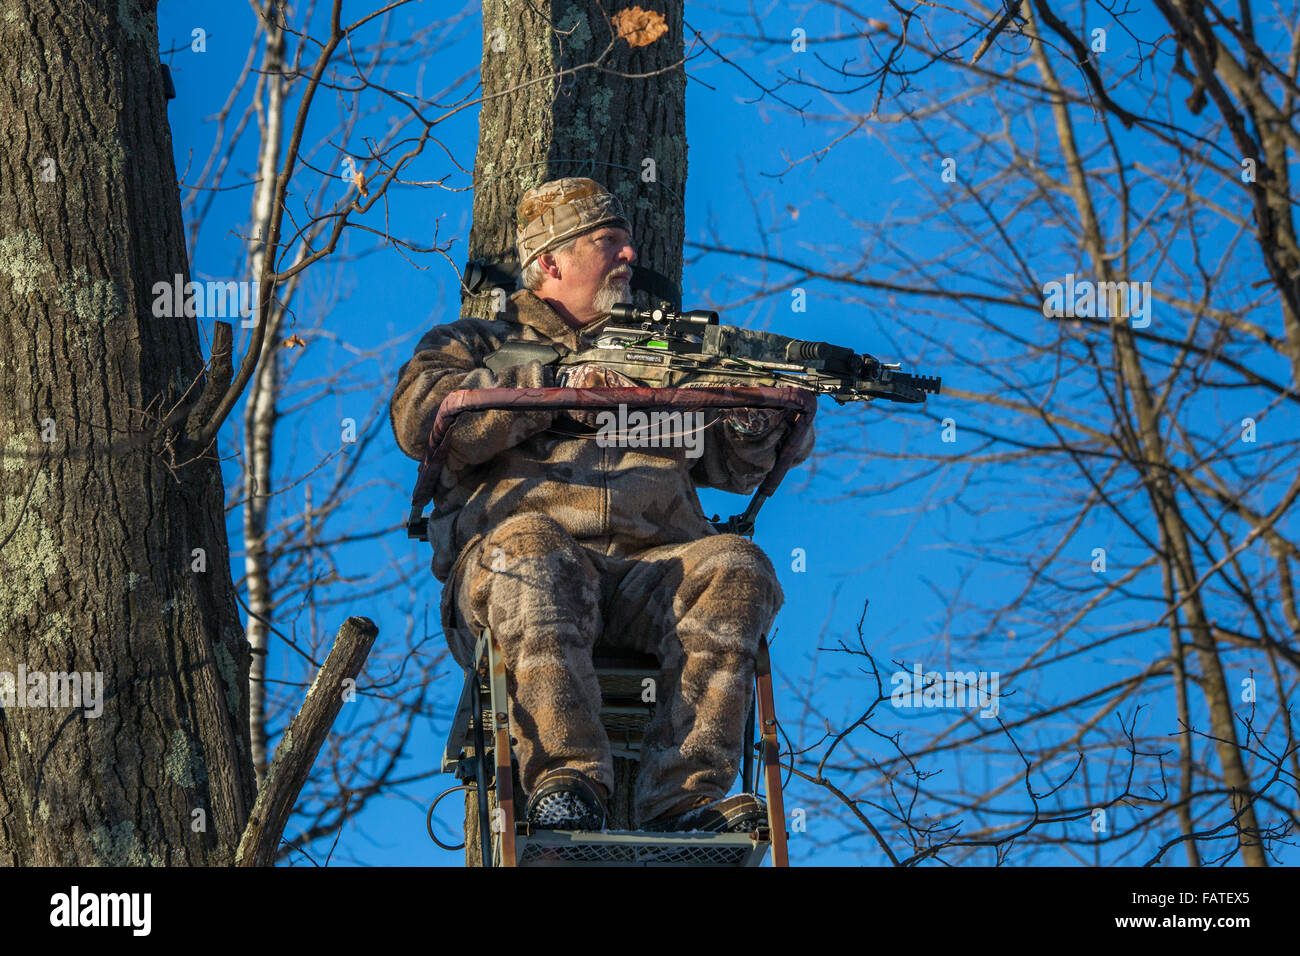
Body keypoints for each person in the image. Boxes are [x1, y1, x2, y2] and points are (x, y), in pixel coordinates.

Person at [389, 177, 815, 832]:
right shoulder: (475, 342)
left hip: (653, 574)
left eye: (627, 243)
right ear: (550, 262)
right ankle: (565, 787)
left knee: (737, 566)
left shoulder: (661, 355)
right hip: (521, 570)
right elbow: (423, 420)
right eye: (607, 241)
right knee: (531, 549)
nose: (627, 257)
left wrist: (754, 422)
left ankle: (685, 805)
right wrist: (552, 385)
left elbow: (729, 465)